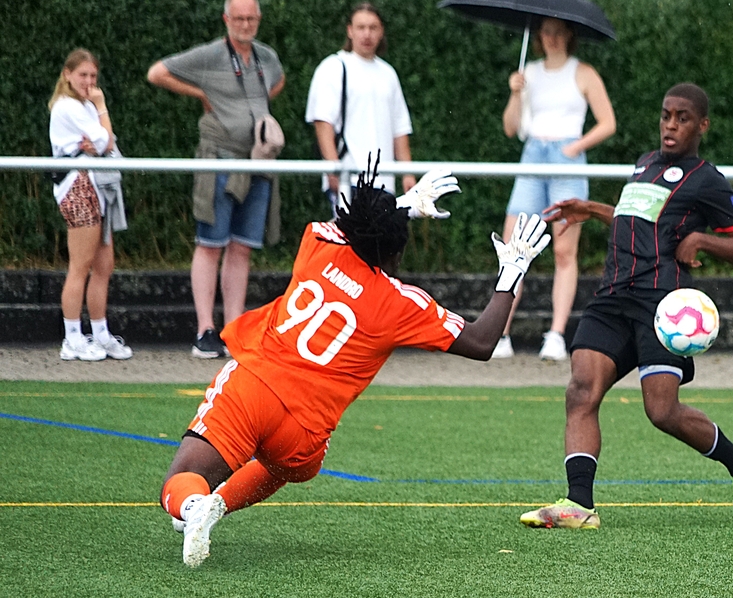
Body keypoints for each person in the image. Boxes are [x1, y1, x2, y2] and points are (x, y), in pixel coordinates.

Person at [160, 163, 550, 567]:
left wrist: (403, 205)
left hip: (253, 386)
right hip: (304, 433)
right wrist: (512, 271)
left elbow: (346, 226)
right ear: (395, 252)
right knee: (280, 466)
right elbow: (483, 342)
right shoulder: (401, 303)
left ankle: (193, 507)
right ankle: (214, 508)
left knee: (182, 479)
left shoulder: (317, 243)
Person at [520, 83, 733, 529]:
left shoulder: (707, 180)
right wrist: (594, 209)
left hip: (661, 305)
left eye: (682, 118)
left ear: (702, 125)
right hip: (613, 296)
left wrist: (702, 240)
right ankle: (579, 504)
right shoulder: (644, 163)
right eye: (665, 115)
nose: (670, 125)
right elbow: (639, 219)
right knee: (581, 390)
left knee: (662, 412)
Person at [147, 0, 286, 359]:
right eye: (239, 18)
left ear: (259, 19)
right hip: (220, 160)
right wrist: (201, 94)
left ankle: (233, 329)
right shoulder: (210, 55)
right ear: (226, 20)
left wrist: (255, 110)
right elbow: (157, 73)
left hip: (257, 160)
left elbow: (278, 81)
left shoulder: (266, 57)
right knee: (210, 243)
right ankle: (205, 329)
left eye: (251, 18)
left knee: (242, 246)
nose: (245, 25)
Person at [493, 17, 616, 361]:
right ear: (539, 36)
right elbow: (510, 128)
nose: (552, 38)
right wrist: (515, 93)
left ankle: (556, 335)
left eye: (559, 32)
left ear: (569, 35)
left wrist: (574, 148)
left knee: (564, 251)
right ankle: (499, 333)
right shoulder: (528, 73)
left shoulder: (584, 72)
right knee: (513, 248)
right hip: (532, 156)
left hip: (566, 160)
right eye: (547, 32)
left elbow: (608, 122)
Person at [48, 49, 133, 362]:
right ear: (67, 74)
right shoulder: (68, 106)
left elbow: (105, 144)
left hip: (99, 187)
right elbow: (106, 141)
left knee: (103, 266)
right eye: (82, 75)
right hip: (78, 188)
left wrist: (101, 139)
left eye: (93, 76)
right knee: (80, 266)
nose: (88, 81)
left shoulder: (84, 106)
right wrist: (102, 108)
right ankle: (72, 338)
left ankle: (100, 333)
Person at [306, 2, 417, 212]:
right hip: (349, 179)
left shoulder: (388, 74)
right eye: (361, 27)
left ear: (381, 31)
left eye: (373, 28)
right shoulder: (333, 67)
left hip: (384, 183)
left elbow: (400, 129)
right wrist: (333, 169)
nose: (367, 34)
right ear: (350, 31)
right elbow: (323, 123)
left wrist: (407, 174)